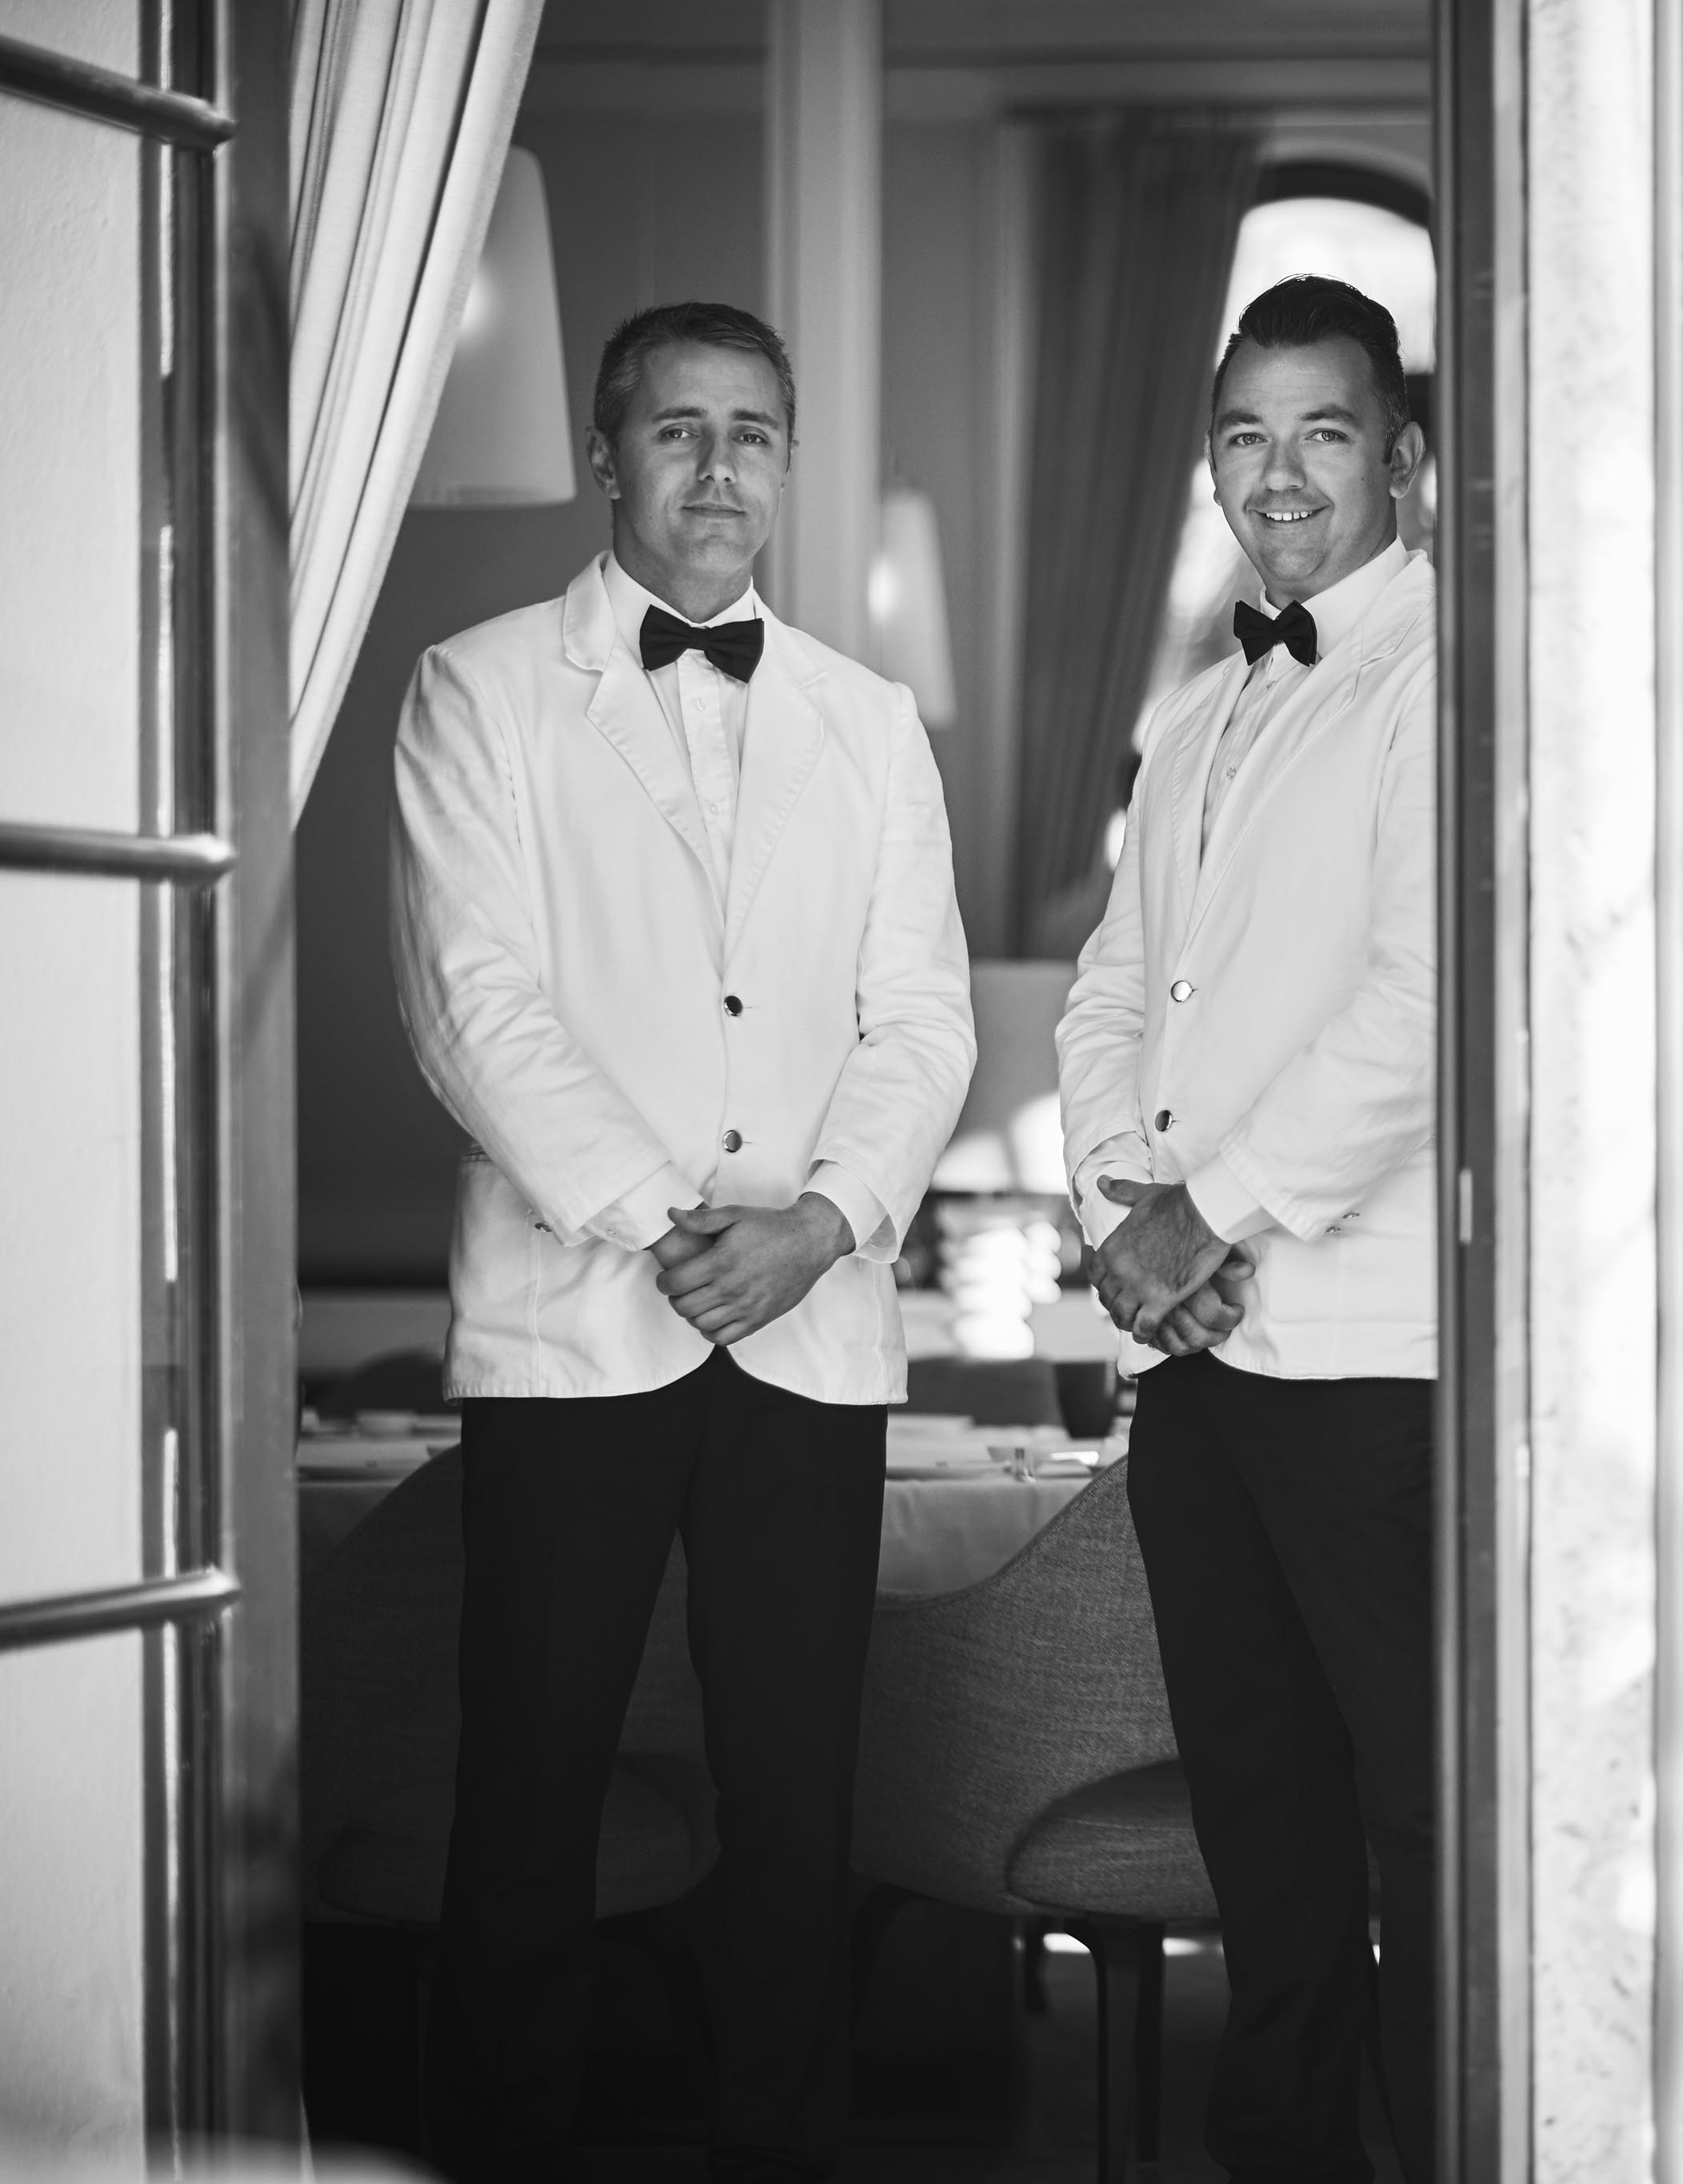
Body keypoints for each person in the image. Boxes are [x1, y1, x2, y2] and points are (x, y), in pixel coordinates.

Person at [390, 300, 975, 2181]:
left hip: (809, 1330)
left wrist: (817, 1224)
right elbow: (472, 1005)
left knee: (795, 1800)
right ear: (603, 450)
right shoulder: (475, 687)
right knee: (529, 1790)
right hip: (577, 1326)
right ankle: (502, 2147)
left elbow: (925, 1021)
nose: (718, 471)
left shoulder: (871, 723)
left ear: (785, 465)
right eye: (677, 432)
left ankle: (782, 2152)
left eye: (753, 436)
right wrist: (668, 1228)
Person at [1056, 274, 1438, 2182]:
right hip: (1198, 1365)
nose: (1278, 474)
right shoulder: (1195, 711)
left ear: (1404, 459)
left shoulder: (1457, 675)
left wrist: (1205, 1216)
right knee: (1261, 1824)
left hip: (1370, 1361)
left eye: (1324, 431)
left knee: (1427, 1829)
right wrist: (1128, 1212)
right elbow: (1113, 998)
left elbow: (1423, 1006)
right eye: (1244, 434)